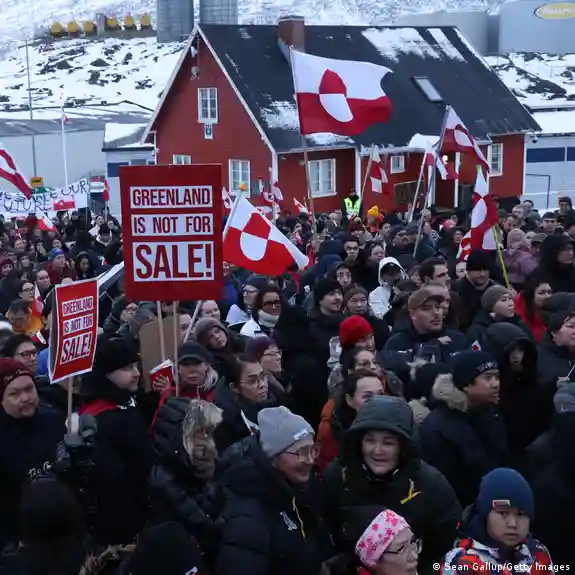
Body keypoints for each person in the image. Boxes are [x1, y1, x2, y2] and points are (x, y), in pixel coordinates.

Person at [322, 397, 461, 572]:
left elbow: (447, 549)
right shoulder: (338, 477)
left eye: (388, 443)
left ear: (403, 447)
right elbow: (323, 539)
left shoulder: (431, 485)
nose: (377, 451)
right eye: (370, 440)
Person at [216, 406, 333, 575]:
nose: (309, 460)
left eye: (312, 450)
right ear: (273, 456)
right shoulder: (248, 519)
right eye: (301, 452)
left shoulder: (300, 490)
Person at [79, 337, 154, 545]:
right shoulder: (101, 419)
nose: (137, 373)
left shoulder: (126, 402)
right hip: (126, 524)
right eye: (127, 368)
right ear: (107, 374)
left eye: (136, 365)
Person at [419, 351, 510, 506]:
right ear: (466, 385)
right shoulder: (439, 428)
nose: (496, 384)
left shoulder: (489, 413)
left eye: (497, 377)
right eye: (488, 378)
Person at [0, 359, 66, 548]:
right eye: (14, 393)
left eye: (29, 389)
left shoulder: (52, 419)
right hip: (19, 540)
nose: (26, 398)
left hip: (61, 528)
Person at [441, 469, 553, 574]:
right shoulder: (461, 562)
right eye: (503, 513)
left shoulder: (537, 553)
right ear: (485, 515)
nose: (513, 524)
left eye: (520, 514)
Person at [149, 398, 223, 556]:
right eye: (198, 432)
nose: (205, 438)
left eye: (207, 431)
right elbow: (203, 525)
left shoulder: (209, 459)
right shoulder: (164, 481)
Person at [317, 369, 385, 473]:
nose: (377, 401)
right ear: (349, 400)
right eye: (367, 396)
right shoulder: (331, 429)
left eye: (381, 394)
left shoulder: (398, 424)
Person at [214, 357, 284, 452]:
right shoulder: (225, 422)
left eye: (263, 376)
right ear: (234, 388)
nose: (262, 384)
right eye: (252, 381)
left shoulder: (277, 397)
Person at [466, 285, 533, 346]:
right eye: (504, 300)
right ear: (491, 305)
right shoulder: (478, 330)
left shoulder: (520, 324)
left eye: (510, 298)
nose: (510, 304)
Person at [452, 250, 495, 331]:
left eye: (485, 270)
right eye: (477, 270)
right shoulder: (456, 290)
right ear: (468, 271)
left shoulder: (495, 290)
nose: (482, 274)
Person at [514, 276, 552, 343]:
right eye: (541, 293)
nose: (547, 296)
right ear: (531, 295)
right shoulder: (518, 317)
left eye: (549, 292)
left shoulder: (552, 311)